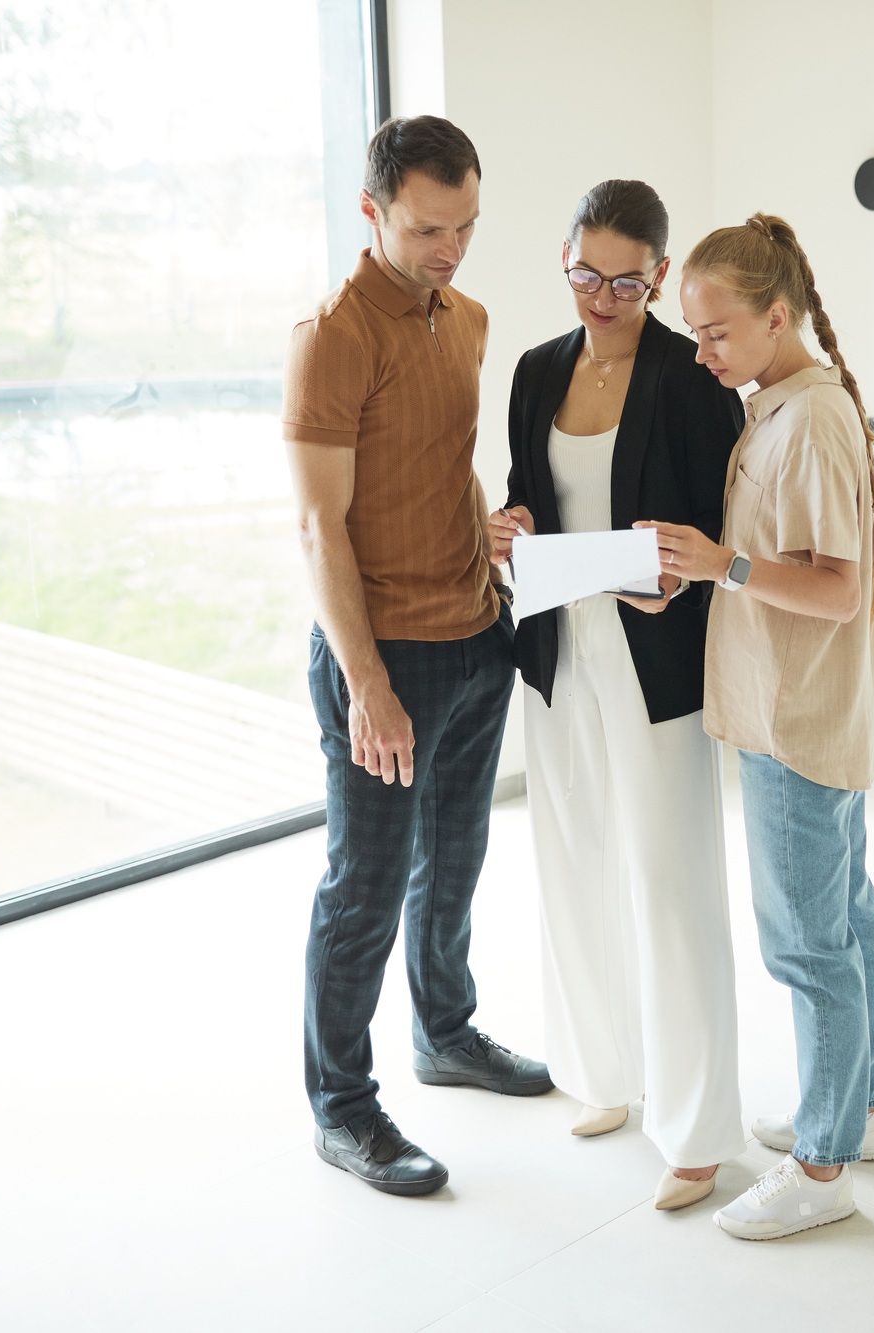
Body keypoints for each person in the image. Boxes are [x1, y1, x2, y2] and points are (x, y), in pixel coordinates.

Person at [282, 115, 550, 1198]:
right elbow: (317, 527)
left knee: (455, 861)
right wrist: (368, 684)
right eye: (429, 227)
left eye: (467, 224)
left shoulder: (470, 319)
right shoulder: (334, 334)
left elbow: (439, 463)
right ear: (373, 211)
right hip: (384, 654)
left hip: (476, 634)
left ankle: (446, 1032)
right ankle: (343, 1107)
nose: (451, 246)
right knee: (365, 888)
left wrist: (486, 521)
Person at [486, 180, 747, 1213]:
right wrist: (509, 523)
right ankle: (603, 1073)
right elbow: (526, 491)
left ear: (661, 276)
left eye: (626, 282)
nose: (601, 296)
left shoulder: (691, 379)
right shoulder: (534, 368)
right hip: (557, 646)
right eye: (585, 274)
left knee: (670, 885)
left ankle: (693, 1130)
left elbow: (720, 524)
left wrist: (680, 575)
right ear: (564, 256)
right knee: (575, 862)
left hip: (655, 655)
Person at [641, 213, 874, 1240]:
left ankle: (824, 1162)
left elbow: (834, 592)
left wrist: (722, 566)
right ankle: (858, 1108)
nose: (699, 353)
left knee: (807, 945)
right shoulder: (784, 401)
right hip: (798, 710)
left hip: (796, 721)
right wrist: (705, 575)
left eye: (714, 334)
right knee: (850, 917)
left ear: (775, 316)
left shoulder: (808, 420)